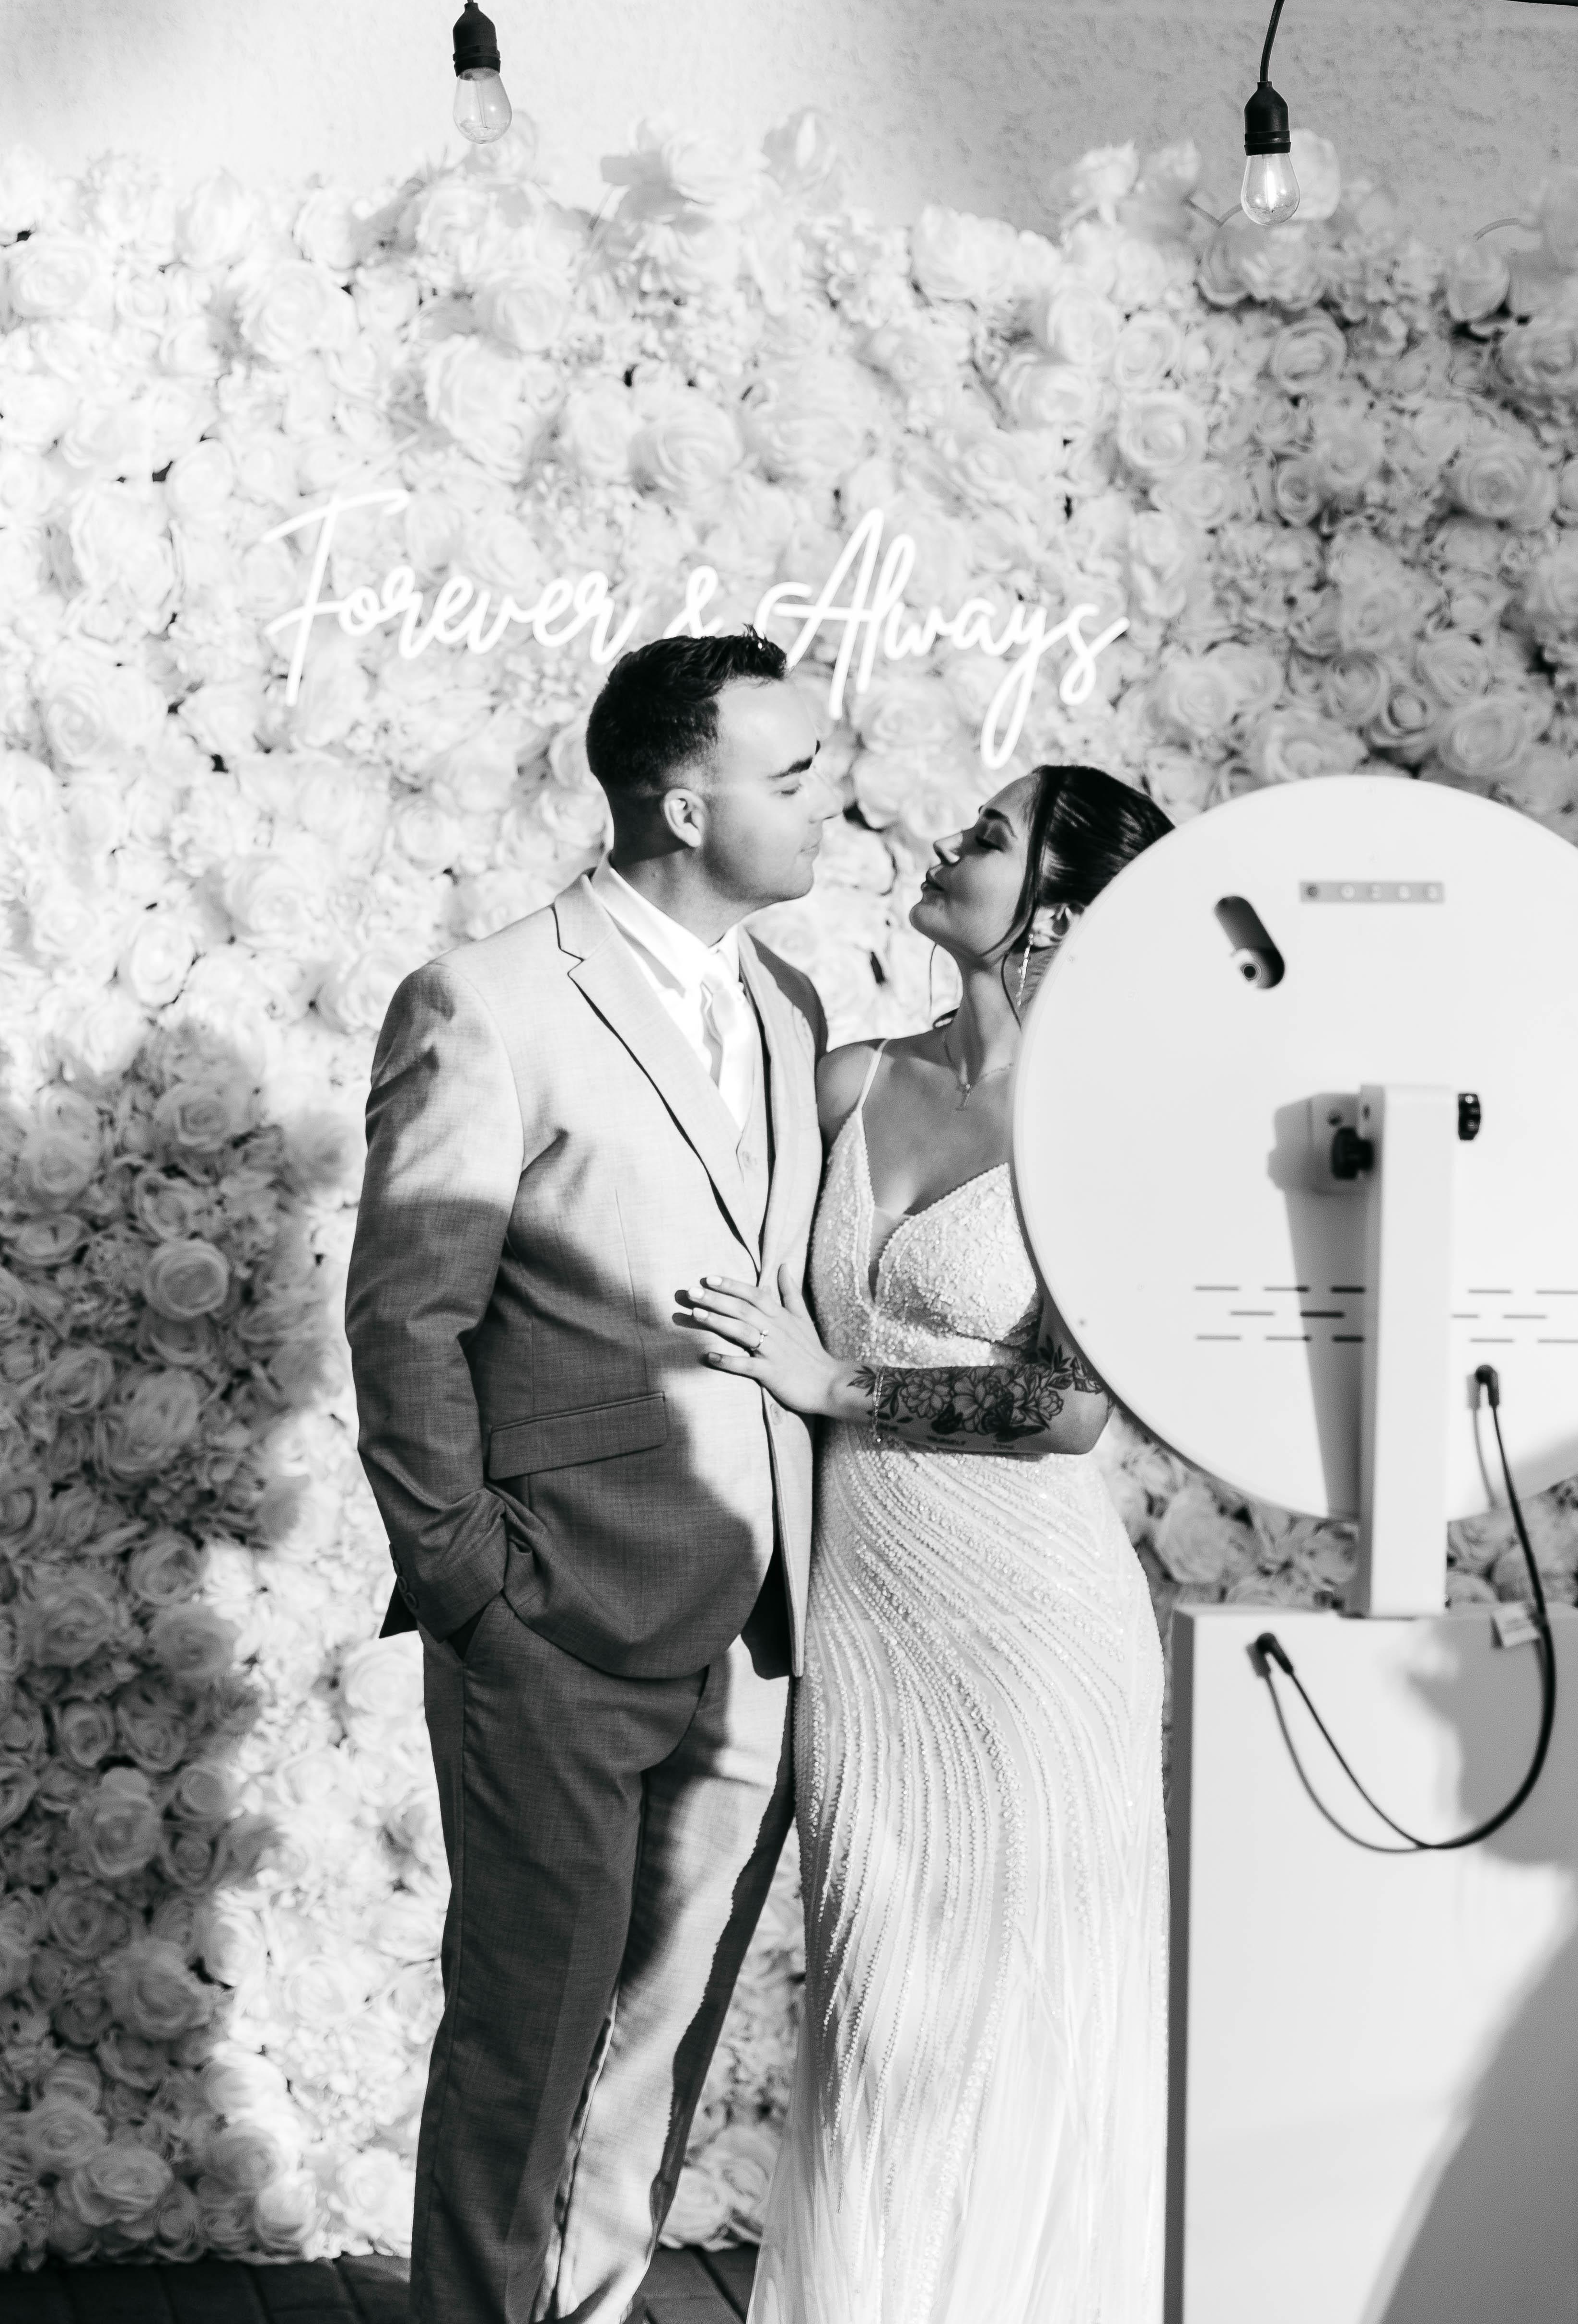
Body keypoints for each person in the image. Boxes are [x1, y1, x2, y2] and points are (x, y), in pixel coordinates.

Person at [345, 631, 838, 2324]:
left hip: (759, 1626)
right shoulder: (485, 1000)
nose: (830, 801)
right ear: (683, 805)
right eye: (795, 774)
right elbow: (408, 1316)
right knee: (527, 2034)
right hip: (553, 1613)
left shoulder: (789, 1008)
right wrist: (470, 1580)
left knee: (662, 2040)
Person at [677, 764, 1174, 2324]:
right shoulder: (850, 1080)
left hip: (1032, 1634)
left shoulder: (1113, 1122)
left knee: (1009, 2044)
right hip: (867, 1630)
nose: (947, 844)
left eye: (989, 838)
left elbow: (1068, 1407)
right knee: (880, 2025)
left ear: (1057, 915)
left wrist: (835, 1387)